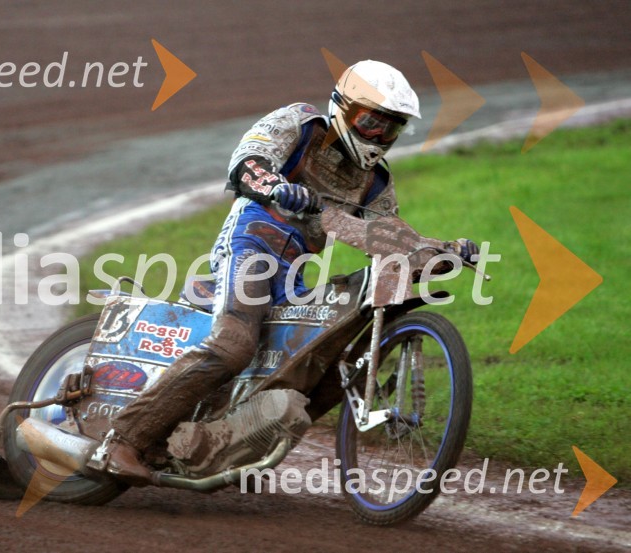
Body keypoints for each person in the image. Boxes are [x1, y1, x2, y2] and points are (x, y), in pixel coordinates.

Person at [88, 60, 478, 484]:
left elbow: (387, 236)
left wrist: (438, 251)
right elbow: (248, 160)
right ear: (343, 109)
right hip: (250, 244)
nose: (378, 137)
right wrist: (275, 186)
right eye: (370, 122)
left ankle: (225, 441)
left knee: (327, 358)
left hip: (293, 272)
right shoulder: (300, 123)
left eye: (391, 129)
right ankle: (122, 439)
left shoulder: (376, 181)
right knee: (234, 345)